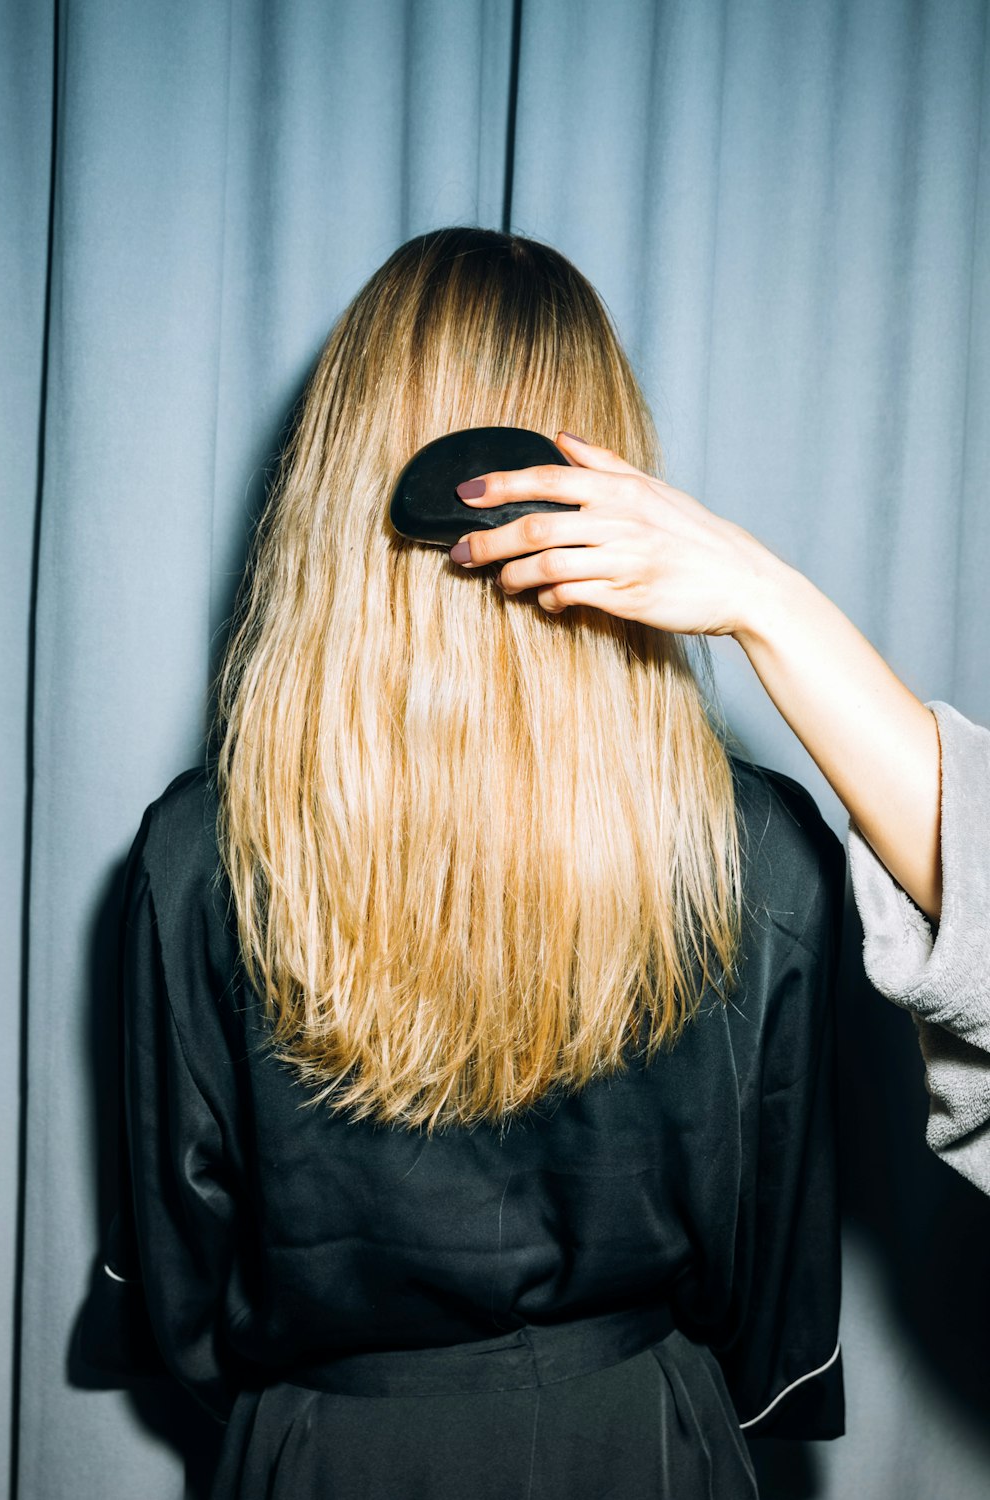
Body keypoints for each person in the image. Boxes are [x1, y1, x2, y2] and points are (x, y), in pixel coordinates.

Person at [97, 229, 846, 1498]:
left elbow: (185, 1287)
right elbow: (772, 1280)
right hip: (642, 1447)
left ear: (330, 478)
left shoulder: (201, 852)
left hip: (328, 1452)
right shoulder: (759, 853)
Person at [451, 435, 990, 1194]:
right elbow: (780, 1258)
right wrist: (765, 598)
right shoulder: (768, 852)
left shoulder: (220, 855)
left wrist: (765, 599)